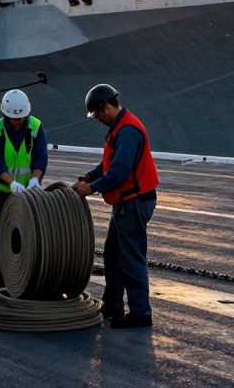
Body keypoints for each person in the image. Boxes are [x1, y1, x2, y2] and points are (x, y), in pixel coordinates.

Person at [71, 83, 158, 329]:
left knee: (131, 259)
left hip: (134, 202)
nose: (97, 119)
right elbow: (109, 165)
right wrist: (89, 176)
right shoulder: (118, 128)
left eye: (98, 114)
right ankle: (113, 305)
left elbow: (120, 171)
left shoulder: (128, 130)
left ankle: (141, 313)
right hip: (124, 202)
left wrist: (93, 188)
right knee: (113, 255)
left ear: (106, 106)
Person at [0, 88, 48, 288]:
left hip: (29, 192)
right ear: (5, 115)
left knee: (28, 234)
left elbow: (40, 157)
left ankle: (25, 282)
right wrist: (11, 183)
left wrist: (35, 180)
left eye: (21, 118)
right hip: (2, 192)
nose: (18, 122)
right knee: (2, 236)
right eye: (14, 119)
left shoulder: (37, 127)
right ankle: (2, 286)